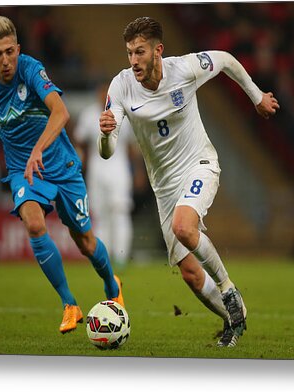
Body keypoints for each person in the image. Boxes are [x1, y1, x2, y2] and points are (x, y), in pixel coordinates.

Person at [0, 15, 123, 334]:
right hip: (25, 172)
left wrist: (38, 149)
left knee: (85, 242)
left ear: (18, 49)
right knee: (35, 224)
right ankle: (70, 304)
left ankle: (112, 284)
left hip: (61, 166)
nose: (6, 61)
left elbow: (61, 112)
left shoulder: (30, 68)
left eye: (10, 52)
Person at [99, 17, 279, 347]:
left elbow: (225, 60)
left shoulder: (184, 69)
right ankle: (233, 320)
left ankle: (228, 290)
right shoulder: (121, 86)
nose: (134, 61)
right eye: (129, 53)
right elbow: (108, 151)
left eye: (140, 52)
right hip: (164, 188)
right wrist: (105, 134)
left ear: (158, 51)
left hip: (200, 164)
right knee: (191, 275)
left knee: (185, 226)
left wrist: (256, 97)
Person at [74, 80, 138, 268]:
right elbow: (79, 141)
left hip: (119, 169)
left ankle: (121, 258)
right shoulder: (88, 115)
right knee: (100, 215)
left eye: (106, 92)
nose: (103, 95)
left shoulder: (124, 114)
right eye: (101, 91)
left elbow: (131, 146)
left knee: (120, 212)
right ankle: (105, 257)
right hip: (97, 169)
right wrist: (79, 163)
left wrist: (138, 171)